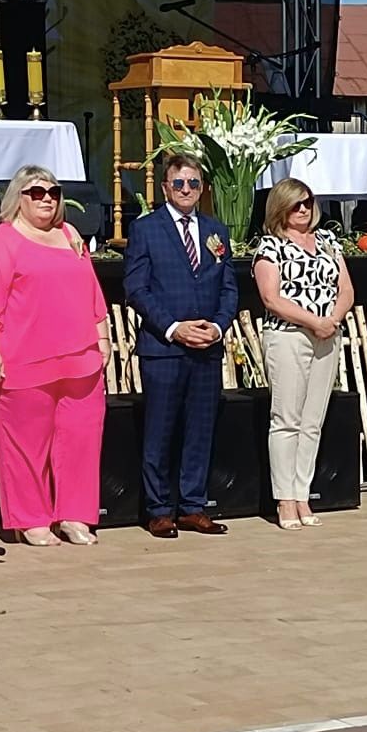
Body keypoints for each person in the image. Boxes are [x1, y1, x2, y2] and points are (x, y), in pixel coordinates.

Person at [0, 166, 111, 545]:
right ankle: (32, 520)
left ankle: (75, 516)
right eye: (36, 192)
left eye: (53, 192)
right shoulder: (1, 241)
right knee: (24, 445)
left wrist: (103, 336)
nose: (46, 198)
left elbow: (92, 291)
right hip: (23, 359)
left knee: (81, 440)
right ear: (18, 198)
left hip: (80, 358)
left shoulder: (70, 235)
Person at [125, 152, 237, 537]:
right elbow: (136, 289)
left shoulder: (215, 230)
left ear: (202, 188)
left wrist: (218, 327)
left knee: (201, 430)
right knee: (160, 430)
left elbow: (228, 288)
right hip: (165, 347)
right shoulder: (146, 229)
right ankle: (159, 509)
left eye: (193, 183)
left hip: (207, 346)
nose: (186, 189)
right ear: (165, 188)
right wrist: (174, 328)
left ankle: (193, 505)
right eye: (178, 183)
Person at [252, 178, 354, 529]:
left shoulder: (327, 241)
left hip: (328, 335)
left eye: (308, 202)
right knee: (287, 419)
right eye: (296, 204)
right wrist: (313, 322)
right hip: (289, 336)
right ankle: (284, 499)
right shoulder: (270, 246)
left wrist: (332, 320)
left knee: (312, 422)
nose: (303, 209)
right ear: (281, 207)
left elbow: (346, 289)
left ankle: (302, 493)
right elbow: (271, 298)